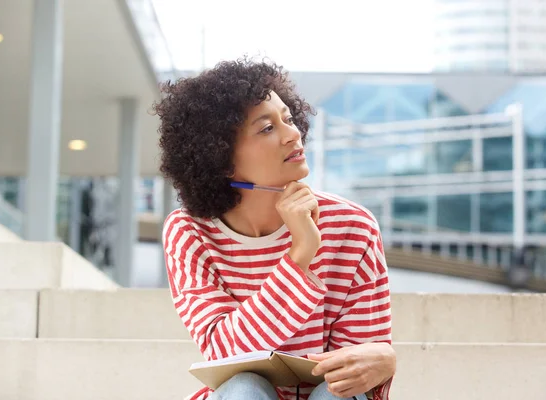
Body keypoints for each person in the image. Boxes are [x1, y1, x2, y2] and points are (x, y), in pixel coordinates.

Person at [155, 58, 396, 400]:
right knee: (242, 387)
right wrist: (300, 256)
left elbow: (355, 373)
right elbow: (225, 355)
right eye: (267, 128)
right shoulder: (189, 232)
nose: (293, 134)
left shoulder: (352, 227)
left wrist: (381, 360)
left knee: (335, 394)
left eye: (289, 119)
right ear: (221, 159)